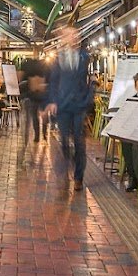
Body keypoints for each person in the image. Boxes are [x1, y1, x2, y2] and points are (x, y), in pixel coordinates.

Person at [47, 25, 93, 191]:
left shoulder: (84, 56)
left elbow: (89, 80)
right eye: (69, 35)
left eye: (75, 34)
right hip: (63, 105)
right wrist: (53, 101)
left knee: (79, 142)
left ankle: (78, 177)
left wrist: (88, 99)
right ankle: (65, 170)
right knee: (64, 140)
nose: (73, 37)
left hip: (79, 105)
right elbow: (53, 81)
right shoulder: (58, 58)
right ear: (64, 38)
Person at [19, 55, 49, 156]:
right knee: (44, 116)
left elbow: (24, 84)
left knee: (34, 117)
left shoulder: (30, 73)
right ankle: (44, 135)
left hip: (33, 97)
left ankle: (37, 136)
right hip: (43, 97)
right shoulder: (43, 72)